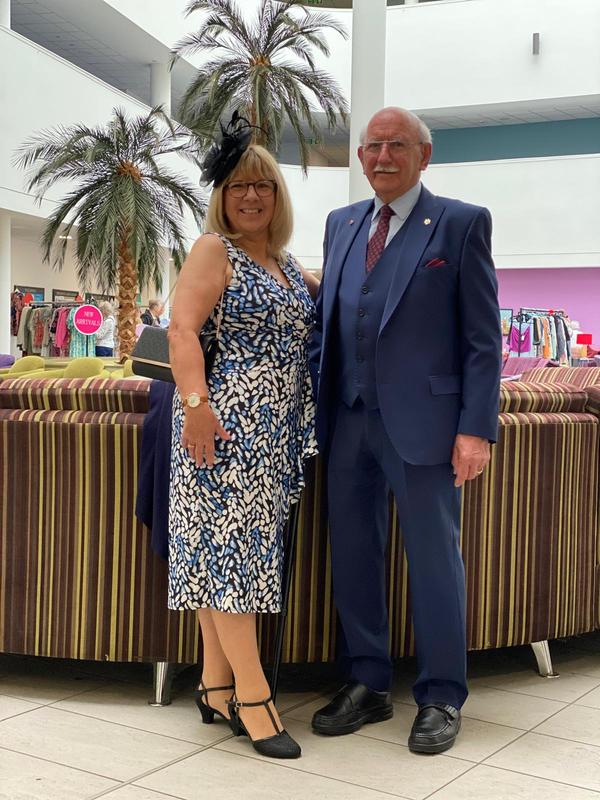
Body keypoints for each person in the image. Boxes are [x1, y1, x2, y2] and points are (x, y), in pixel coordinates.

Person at [310, 106, 501, 754]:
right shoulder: (340, 225)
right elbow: (330, 322)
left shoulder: (460, 223)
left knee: (434, 561)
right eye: (373, 146)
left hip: (426, 427)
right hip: (347, 419)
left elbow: (482, 340)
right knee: (353, 555)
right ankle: (367, 683)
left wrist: (476, 429)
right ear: (360, 157)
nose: (383, 156)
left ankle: (442, 694)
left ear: (424, 154)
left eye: (397, 145)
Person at [167, 118, 319, 761]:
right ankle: (255, 700)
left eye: (263, 186)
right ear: (221, 197)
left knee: (224, 558)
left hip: (274, 434)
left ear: (278, 196)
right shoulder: (214, 249)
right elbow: (181, 329)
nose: (251, 197)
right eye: (237, 187)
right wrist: (196, 408)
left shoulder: (284, 264)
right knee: (235, 564)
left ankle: (215, 685)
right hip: (225, 426)